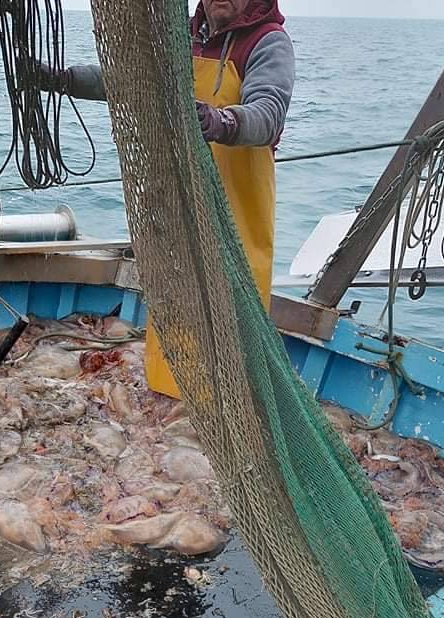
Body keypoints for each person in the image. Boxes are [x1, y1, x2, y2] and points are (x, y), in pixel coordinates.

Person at [39, 0, 295, 397]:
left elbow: (269, 113)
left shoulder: (267, 42)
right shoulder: (182, 40)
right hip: (176, 209)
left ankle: (228, 408)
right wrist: (63, 80)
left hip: (235, 215)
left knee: (227, 315)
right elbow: (129, 82)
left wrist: (221, 121)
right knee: (174, 307)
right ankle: (168, 397)